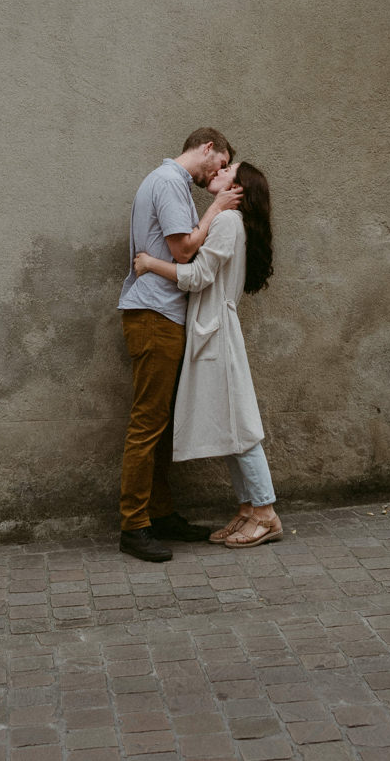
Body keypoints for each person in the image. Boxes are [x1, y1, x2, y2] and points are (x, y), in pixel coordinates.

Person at [133, 159, 280, 549]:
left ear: (239, 189)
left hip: (216, 332)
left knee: (241, 427)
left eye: (228, 171)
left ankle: (266, 513)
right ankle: (248, 508)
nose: (220, 171)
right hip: (212, 329)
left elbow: (198, 277)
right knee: (230, 427)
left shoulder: (228, 223)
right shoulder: (224, 220)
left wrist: (150, 265)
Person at [116, 127, 241, 562]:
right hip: (154, 315)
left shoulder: (170, 183)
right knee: (147, 423)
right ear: (208, 148)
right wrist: (217, 209)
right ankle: (133, 526)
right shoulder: (169, 181)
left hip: (160, 315)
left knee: (161, 424)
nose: (219, 173)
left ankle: (161, 514)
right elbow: (184, 250)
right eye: (222, 164)